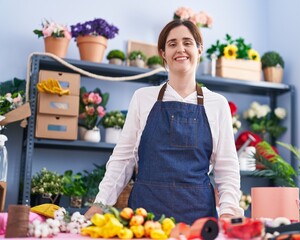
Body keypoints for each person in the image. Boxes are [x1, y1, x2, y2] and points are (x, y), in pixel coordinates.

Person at [84, 19, 244, 224]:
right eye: (172, 44)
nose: (180, 49)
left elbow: (227, 167)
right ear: (163, 53)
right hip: (144, 216)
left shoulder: (217, 104)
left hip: (198, 218)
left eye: (187, 42)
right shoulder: (143, 97)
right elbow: (124, 158)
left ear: (199, 48)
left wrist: (229, 211)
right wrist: (102, 203)